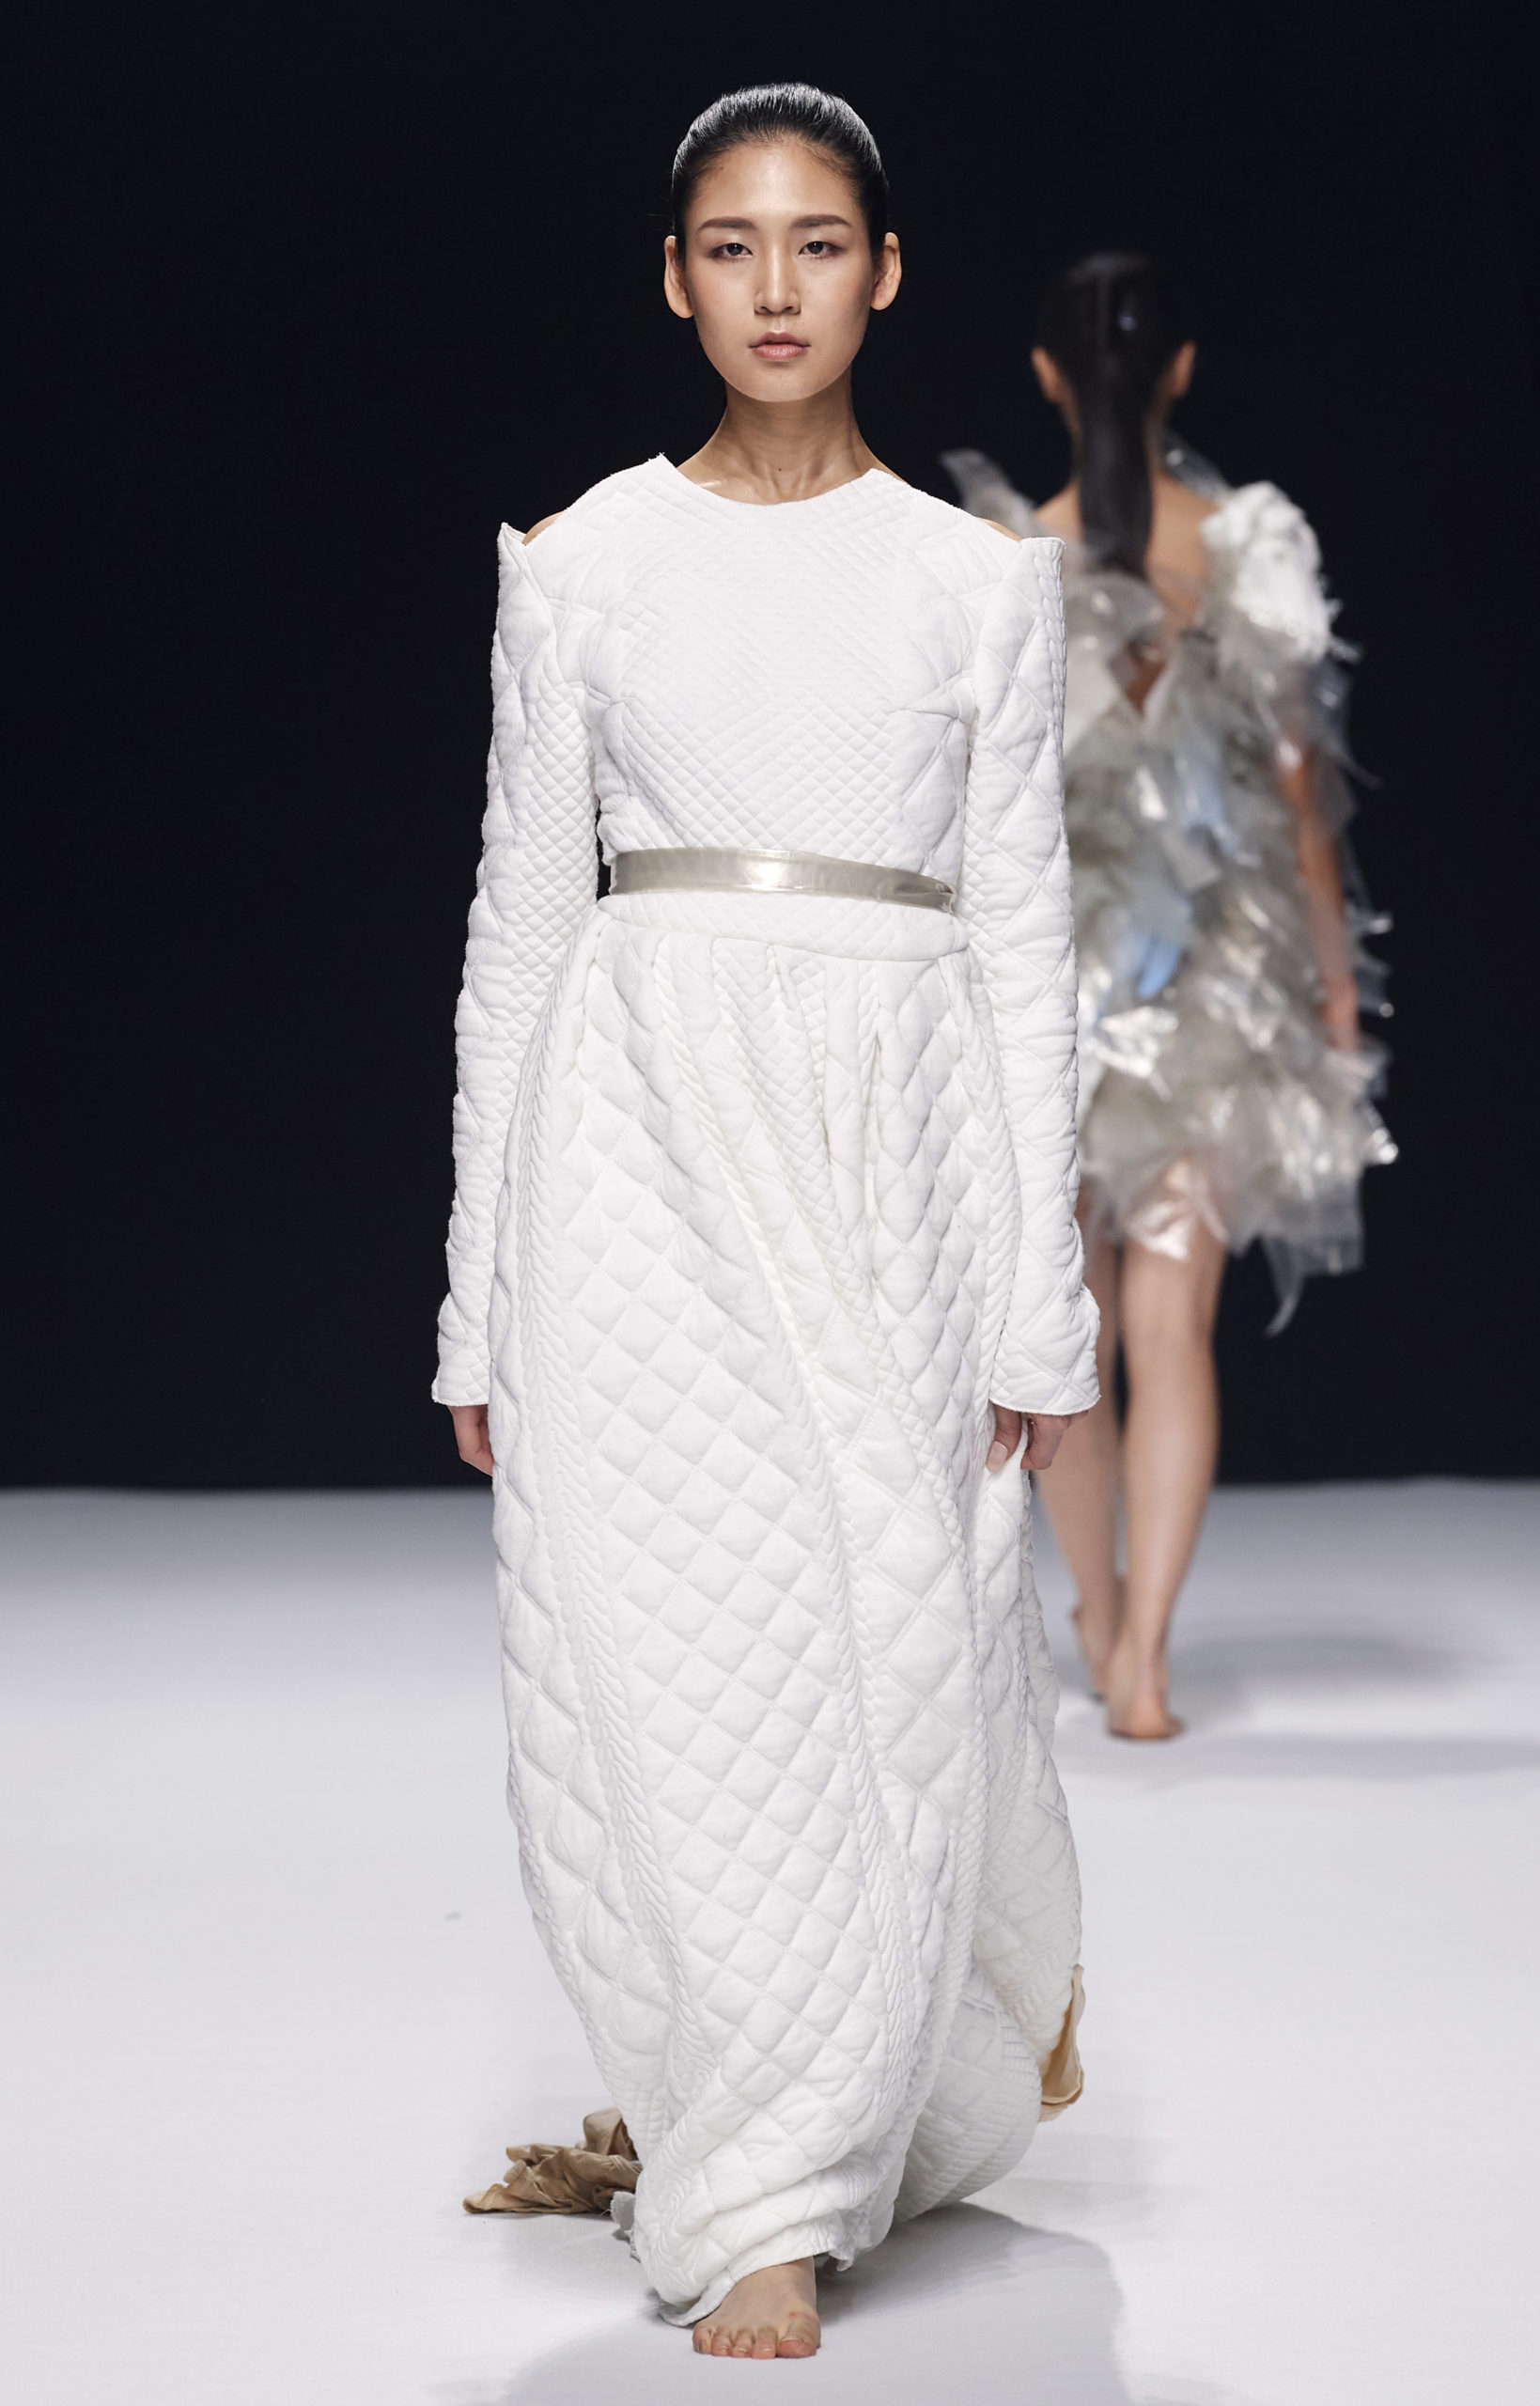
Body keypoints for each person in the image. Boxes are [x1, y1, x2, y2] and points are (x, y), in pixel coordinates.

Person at [432, 85, 1097, 2361]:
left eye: (821, 243)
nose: (778, 286)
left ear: (885, 276)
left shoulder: (975, 587)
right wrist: (474, 1294)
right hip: (633, 1139)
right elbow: (521, 932)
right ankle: (766, 2186)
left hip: (897, 1144)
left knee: (891, 1651)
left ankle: (828, 2100)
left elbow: (1026, 941)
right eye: (734, 246)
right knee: (677, 1652)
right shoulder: (584, 563)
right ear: (675, 278)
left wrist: (1042, 1296)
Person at [945, 253, 1394, 1743]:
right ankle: (1143, 1658)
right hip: (1214, 980)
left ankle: (1100, 1612)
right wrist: (1335, 988)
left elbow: (973, 815)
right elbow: (1301, 797)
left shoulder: (1003, 560)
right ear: (1183, 372)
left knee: (1066, 1331)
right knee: (1172, 1324)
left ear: (1045, 377)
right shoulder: (1249, 548)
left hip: (1054, 989)